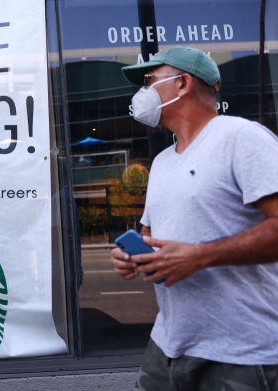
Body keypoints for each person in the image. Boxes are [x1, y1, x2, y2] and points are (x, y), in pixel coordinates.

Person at [110, 46, 278, 390]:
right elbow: (150, 235)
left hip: (241, 352)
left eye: (150, 81)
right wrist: (131, 256)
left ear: (183, 84)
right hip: (167, 345)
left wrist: (198, 256)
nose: (143, 92)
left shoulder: (241, 138)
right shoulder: (161, 162)